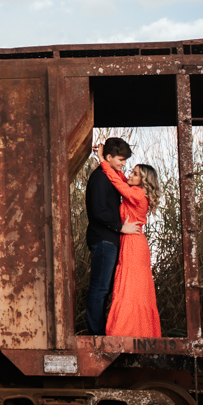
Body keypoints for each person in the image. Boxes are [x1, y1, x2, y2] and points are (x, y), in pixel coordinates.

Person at [85, 138, 141, 335]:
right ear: (109, 157)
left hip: (109, 240)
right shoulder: (100, 178)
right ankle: (96, 335)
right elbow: (98, 211)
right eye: (120, 159)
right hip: (102, 239)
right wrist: (120, 227)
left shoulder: (111, 175)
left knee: (105, 289)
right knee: (99, 289)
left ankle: (103, 331)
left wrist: (100, 156)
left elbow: (124, 182)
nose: (123, 164)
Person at [105, 163, 163, 336]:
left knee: (130, 286)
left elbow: (118, 182)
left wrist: (103, 161)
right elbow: (122, 178)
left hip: (133, 243)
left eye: (135, 174)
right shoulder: (139, 193)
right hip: (133, 240)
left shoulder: (138, 193)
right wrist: (112, 165)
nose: (130, 175)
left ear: (143, 181)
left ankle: (124, 331)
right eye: (131, 171)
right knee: (134, 288)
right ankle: (139, 331)